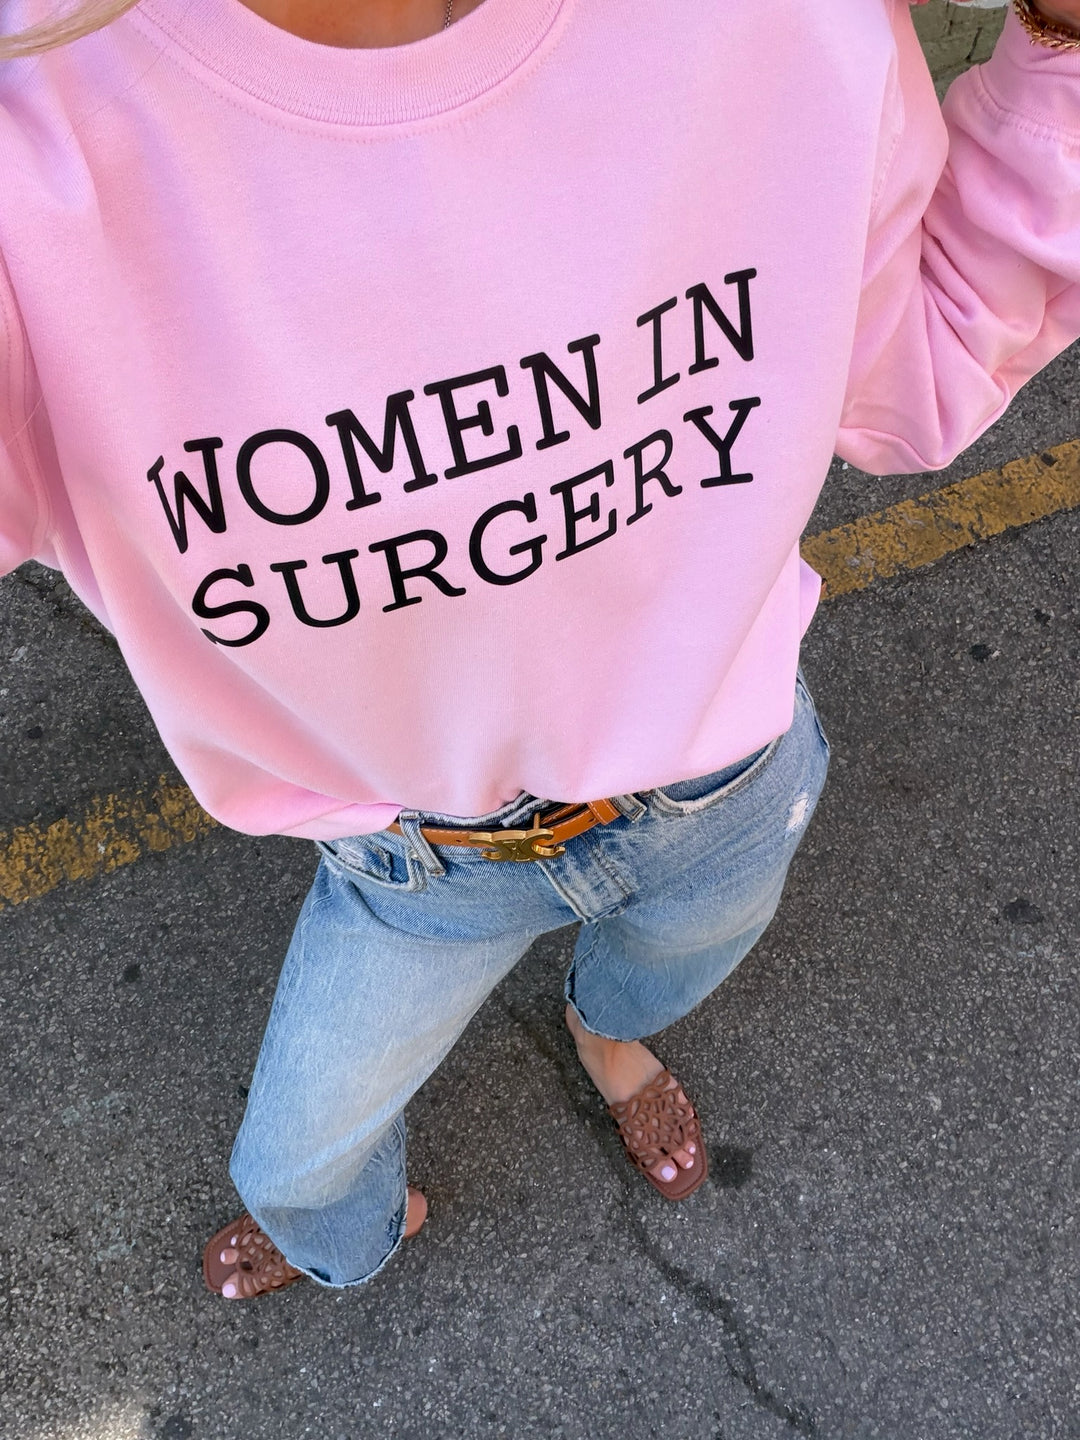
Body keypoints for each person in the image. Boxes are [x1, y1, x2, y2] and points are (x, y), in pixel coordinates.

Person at [1, 0, 1078, 1301]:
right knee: (296, 1165)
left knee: (655, 979)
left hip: (726, 786)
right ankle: (344, 1228)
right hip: (419, 860)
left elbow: (918, 345)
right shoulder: (39, 143)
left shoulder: (779, 23)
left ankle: (605, 1035)